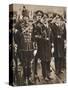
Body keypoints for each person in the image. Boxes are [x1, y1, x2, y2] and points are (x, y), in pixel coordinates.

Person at [32, 10, 52, 81]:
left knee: (47, 60)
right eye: (39, 16)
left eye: (45, 18)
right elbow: (34, 36)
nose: (44, 19)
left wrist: (51, 44)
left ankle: (47, 75)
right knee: (38, 60)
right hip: (39, 46)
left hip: (47, 46)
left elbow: (50, 36)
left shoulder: (48, 26)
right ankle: (35, 74)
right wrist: (35, 46)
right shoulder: (36, 25)